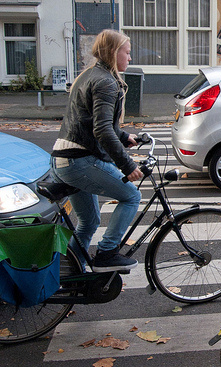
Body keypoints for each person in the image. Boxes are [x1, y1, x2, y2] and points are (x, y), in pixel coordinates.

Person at [51, 29, 143, 272]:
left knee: (89, 221)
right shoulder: (105, 82)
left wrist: (124, 137)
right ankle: (107, 253)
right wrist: (128, 165)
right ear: (114, 53)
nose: (130, 58)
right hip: (79, 161)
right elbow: (101, 130)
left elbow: (90, 122)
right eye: (127, 52)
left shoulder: (89, 75)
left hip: (63, 158)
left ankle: (68, 274)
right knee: (132, 196)